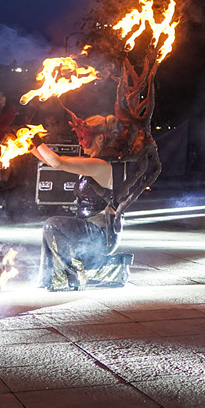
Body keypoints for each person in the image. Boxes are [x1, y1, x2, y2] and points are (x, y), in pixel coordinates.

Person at [33, 115, 128, 291]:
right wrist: (27, 145)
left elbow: (57, 162)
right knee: (52, 227)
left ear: (99, 138)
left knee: (52, 225)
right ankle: (53, 279)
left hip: (101, 235)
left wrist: (35, 139)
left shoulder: (100, 165)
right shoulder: (93, 163)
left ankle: (73, 277)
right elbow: (52, 161)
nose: (80, 141)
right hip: (89, 230)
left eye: (84, 137)